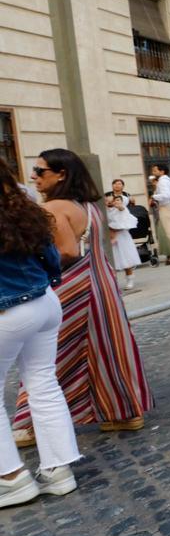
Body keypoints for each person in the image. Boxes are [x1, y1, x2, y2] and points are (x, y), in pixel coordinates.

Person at [13, 149, 152, 446]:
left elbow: (66, 251)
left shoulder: (53, 207)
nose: (34, 177)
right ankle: (123, 412)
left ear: (61, 174)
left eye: (40, 171)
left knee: (50, 354)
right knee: (107, 347)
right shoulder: (88, 206)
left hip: (72, 285)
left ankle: (33, 422)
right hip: (101, 282)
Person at [0, 157, 80, 507]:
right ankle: (58, 470)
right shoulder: (24, 207)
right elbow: (51, 255)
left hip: (8, 309)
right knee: (43, 383)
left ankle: (10, 477)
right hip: (44, 302)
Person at [104, 179, 140, 291]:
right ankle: (113, 282)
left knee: (126, 259)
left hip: (122, 236)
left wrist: (119, 205)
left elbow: (122, 210)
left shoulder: (122, 208)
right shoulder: (105, 210)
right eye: (108, 199)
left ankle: (130, 280)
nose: (110, 200)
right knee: (111, 261)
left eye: (119, 184)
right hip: (109, 237)